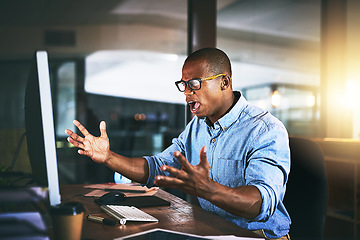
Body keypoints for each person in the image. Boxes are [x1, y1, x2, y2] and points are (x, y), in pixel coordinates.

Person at [65, 48, 291, 239]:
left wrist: (209, 190)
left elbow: (261, 203)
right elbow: (158, 168)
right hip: (214, 231)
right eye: (184, 85)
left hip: (258, 236)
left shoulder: (265, 130)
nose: (187, 95)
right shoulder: (197, 126)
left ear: (224, 82)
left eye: (194, 84)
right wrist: (109, 157)